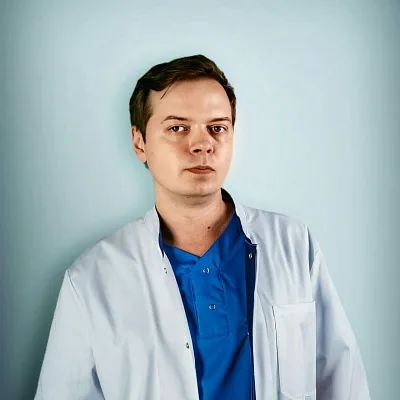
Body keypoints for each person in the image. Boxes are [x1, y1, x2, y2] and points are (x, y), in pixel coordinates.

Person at [34, 54, 371, 400]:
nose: (202, 144)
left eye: (217, 128)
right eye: (177, 128)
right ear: (139, 142)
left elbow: (343, 380)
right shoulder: (93, 279)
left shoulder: (293, 245)